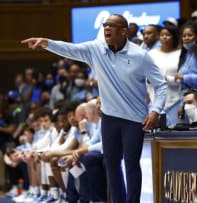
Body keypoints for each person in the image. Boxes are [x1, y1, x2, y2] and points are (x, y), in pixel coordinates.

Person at [21, 14, 167, 203]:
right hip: (109, 118)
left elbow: (161, 85)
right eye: (105, 25)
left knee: (131, 165)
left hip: (134, 119)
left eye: (111, 26)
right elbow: (71, 49)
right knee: (111, 164)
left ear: (123, 31)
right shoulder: (95, 49)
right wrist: (46, 43)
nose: (106, 28)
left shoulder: (140, 56)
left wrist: (155, 111)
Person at [148, 25, 182, 126]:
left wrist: (171, 78)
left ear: (174, 37)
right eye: (162, 35)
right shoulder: (152, 53)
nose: (164, 37)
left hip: (175, 97)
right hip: (154, 97)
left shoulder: (181, 53)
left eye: (168, 35)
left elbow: (182, 75)